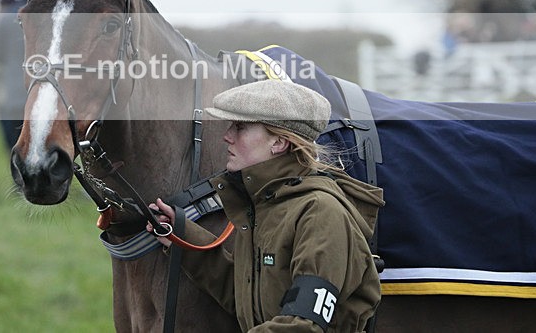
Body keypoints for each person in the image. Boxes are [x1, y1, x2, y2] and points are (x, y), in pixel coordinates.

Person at [147, 79, 384, 332]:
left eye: (240, 127)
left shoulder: (320, 212)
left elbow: (304, 325)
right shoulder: (266, 205)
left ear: (279, 143)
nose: (227, 136)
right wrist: (184, 237)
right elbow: (245, 296)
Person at [0, 0, 35, 152]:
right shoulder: (50, 14)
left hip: (13, 96)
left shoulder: (6, 17)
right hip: (44, 97)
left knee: (16, 151)